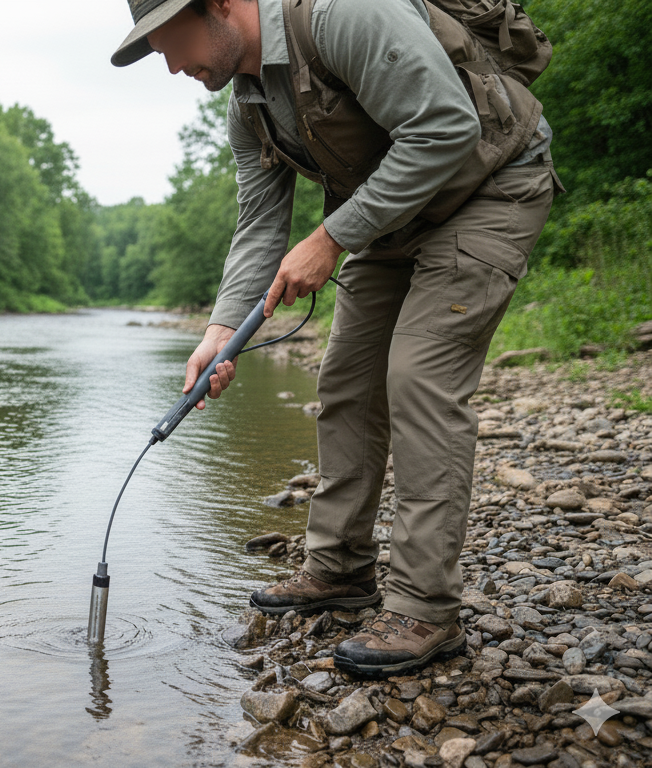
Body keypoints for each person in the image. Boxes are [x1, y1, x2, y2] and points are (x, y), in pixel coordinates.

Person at [112, 0, 558, 676]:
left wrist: (330, 238)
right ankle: (341, 569)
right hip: (394, 216)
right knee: (346, 380)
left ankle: (424, 608)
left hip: (493, 184)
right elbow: (260, 225)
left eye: (169, 41)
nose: (171, 66)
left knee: (419, 376)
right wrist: (219, 332)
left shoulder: (345, 15)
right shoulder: (248, 105)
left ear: (221, 5)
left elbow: (445, 126)